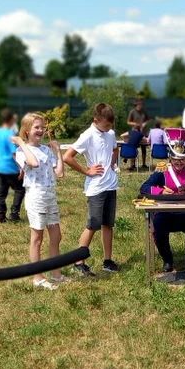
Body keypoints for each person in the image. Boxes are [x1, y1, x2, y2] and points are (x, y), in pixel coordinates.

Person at [63, 103, 121, 276]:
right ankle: (78, 262)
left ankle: (108, 261)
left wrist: (111, 164)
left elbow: (115, 148)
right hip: (96, 188)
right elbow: (67, 157)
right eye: (106, 125)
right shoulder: (87, 136)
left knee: (108, 224)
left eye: (111, 126)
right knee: (93, 225)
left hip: (111, 185)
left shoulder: (109, 134)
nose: (109, 129)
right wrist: (87, 171)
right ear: (96, 120)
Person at [139, 143, 185, 277]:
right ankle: (167, 259)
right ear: (170, 159)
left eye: (182, 159)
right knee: (158, 225)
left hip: (184, 212)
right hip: (163, 212)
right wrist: (160, 191)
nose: (179, 162)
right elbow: (144, 187)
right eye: (175, 159)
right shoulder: (162, 172)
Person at [11, 113, 65, 290]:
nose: (41, 130)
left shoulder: (46, 150)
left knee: (56, 235)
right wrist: (21, 143)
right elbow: (33, 163)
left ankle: (55, 274)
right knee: (37, 238)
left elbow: (60, 173)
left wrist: (58, 152)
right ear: (27, 130)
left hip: (50, 195)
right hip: (36, 196)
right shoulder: (21, 151)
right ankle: (38, 277)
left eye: (43, 127)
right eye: (36, 127)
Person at [0, 108, 24, 223]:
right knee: (20, 189)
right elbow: (13, 153)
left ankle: (1, 216)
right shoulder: (10, 135)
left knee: (0, 193)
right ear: (12, 119)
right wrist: (21, 167)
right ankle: (14, 213)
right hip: (11, 168)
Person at [127, 97, 150, 168]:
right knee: (133, 147)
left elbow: (147, 120)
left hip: (143, 132)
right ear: (136, 105)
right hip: (135, 132)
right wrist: (135, 124)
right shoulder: (132, 112)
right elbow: (128, 122)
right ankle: (132, 164)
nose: (141, 105)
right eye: (139, 104)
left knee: (144, 148)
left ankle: (144, 164)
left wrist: (145, 123)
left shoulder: (144, 112)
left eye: (141, 104)